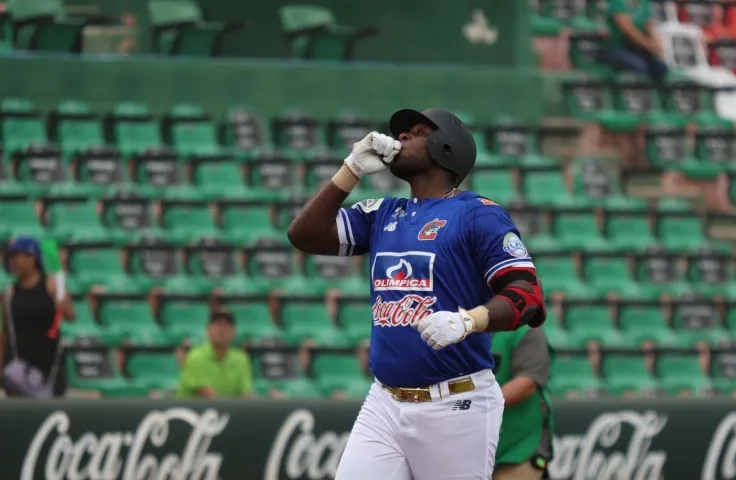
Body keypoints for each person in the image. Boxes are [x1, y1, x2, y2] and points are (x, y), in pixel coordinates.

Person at [287, 108, 547, 480]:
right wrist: (351, 170)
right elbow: (304, 234)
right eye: (402, 132)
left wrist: (469, 320)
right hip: (385, 401)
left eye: (418, 131)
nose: (403, 137)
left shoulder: (478, 214)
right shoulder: (381, 213)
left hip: (456, 401)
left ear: (447, 146)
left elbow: (528, 294)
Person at [0, 235, 75, 398]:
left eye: (17, 256)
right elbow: (5, 333)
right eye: (11, 257)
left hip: (49, 366)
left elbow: (70, 316)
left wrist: (64, 306)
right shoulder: (9, 292)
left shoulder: (52, 285)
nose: (13, 262)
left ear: (31, 258)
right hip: (20, 370)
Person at [492, 327, 553, 480]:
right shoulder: (462, 322)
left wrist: (480, 404)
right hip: (473, 448)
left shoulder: (527, 326)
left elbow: (527, 383)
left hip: (518, 449)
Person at [176, 307, 253, 399]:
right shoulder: (195, 356)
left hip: (229, 411)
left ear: (234, 332)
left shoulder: (241, 359)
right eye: (217, 324)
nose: (222, 329)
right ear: (207, 330)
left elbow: (246, 394)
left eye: (227, 325)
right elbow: (208, 396)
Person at [600, 0, 669, 84]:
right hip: (615, 47)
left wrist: (656, 42)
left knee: (660, 68)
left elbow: (649, 26)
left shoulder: (644, 3)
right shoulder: (617, 2)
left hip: (636, 48)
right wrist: (648, 44)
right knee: (639, 67)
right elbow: (628, 29)